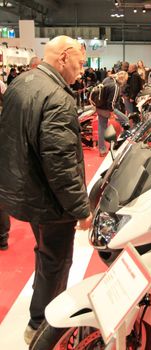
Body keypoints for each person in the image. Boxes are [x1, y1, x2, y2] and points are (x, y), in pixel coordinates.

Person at [0, 35, 92, 344]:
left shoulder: (22, 83)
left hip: (26, 191)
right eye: (80, 63)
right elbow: (62, 163)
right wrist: (81, 208)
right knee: (56, 262)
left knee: (45, 255)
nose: (82, 71)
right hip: (50, 201)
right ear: (64, 57)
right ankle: (42, 326)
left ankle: (40, 317)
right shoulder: (57, 96)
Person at [96, 71, 128, 156]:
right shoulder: (115, 86)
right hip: (107, 109)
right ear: (122, 79)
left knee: (102, 128)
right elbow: (111, 104)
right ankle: (124, 141)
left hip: (99, 107)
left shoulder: (107, 79)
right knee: (127, 120)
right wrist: (112, 114)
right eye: (125, 80)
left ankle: (102, 150)